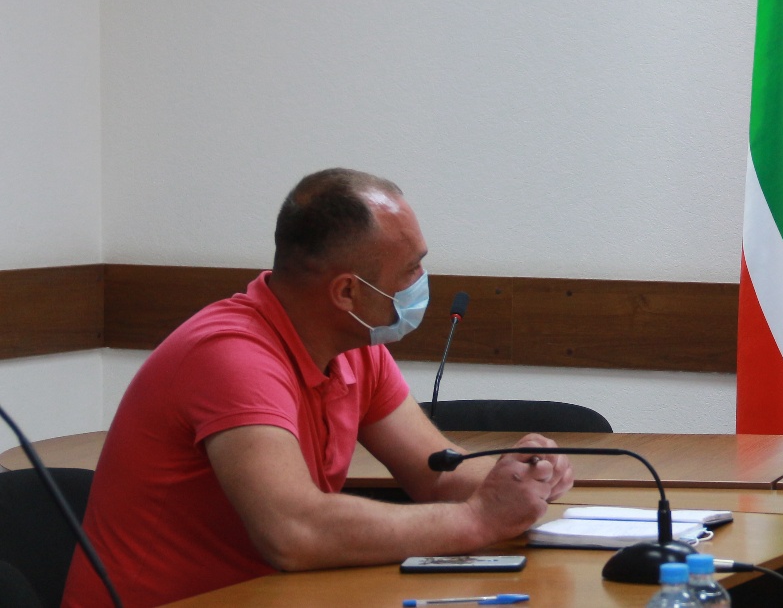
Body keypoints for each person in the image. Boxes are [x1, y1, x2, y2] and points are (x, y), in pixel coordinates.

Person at [62, 169, 576, 608]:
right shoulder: (231, 356)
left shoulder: (355, 346)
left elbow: (436, 475)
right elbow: (294, 532)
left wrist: (518, 481)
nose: (423, 280)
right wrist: (478, 520)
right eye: (411, 269)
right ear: (347, 291)